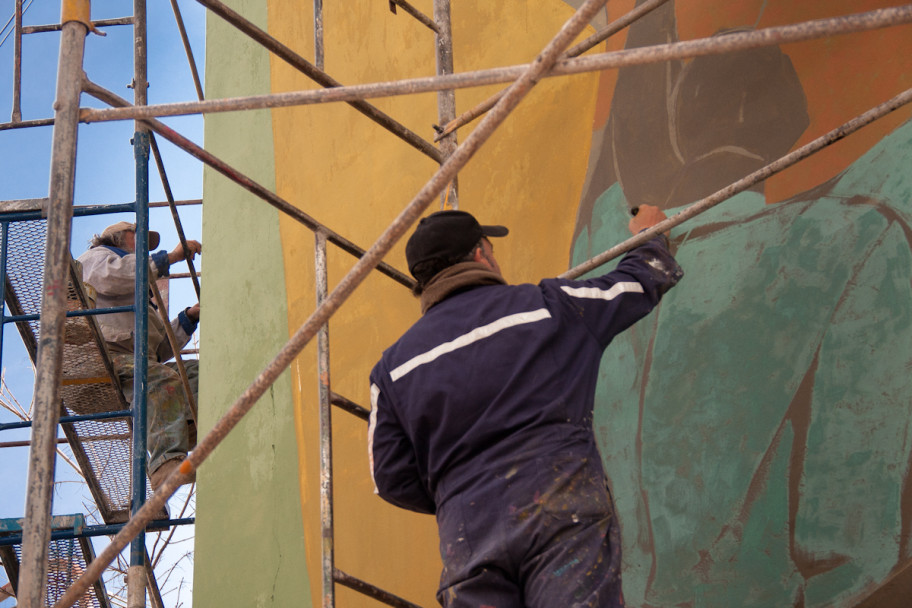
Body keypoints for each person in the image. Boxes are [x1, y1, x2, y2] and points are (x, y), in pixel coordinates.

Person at [368, 208, 682, 607]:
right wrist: (650, 235)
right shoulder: (545, 306)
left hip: (467, 539)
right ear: (481, 255)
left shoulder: (392, 370)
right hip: (560, 514)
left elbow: (389, 478)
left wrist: (459, 489)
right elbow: (635, 284)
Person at [78, 221, 202, 491]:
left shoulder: (141, 294)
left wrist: (190, 317)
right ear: (118, 237)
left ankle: (186, 429)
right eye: (139, 237)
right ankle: (164, 464)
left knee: (196, 373)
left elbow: (160, 349)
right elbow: (112, 277)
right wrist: (169, 258)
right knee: (157, 377)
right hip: (103, 358)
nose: (144, 246)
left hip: (133, 362)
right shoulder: (96, 258)